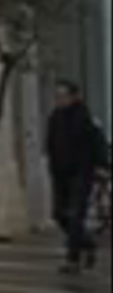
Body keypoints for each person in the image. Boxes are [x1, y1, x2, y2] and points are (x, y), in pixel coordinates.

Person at [50, 82, 107, 277]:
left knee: (75, 216)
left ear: (74, 97)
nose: (59, 99)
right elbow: (50, 143)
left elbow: (99, 143)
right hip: (60, 175)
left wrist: (102, 166)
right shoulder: (55, 118)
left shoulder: (86, 118)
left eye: (63, 95)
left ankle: (72, 260)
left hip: (81, 174)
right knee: (59, 214)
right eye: (57, 95)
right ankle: (87, 242)